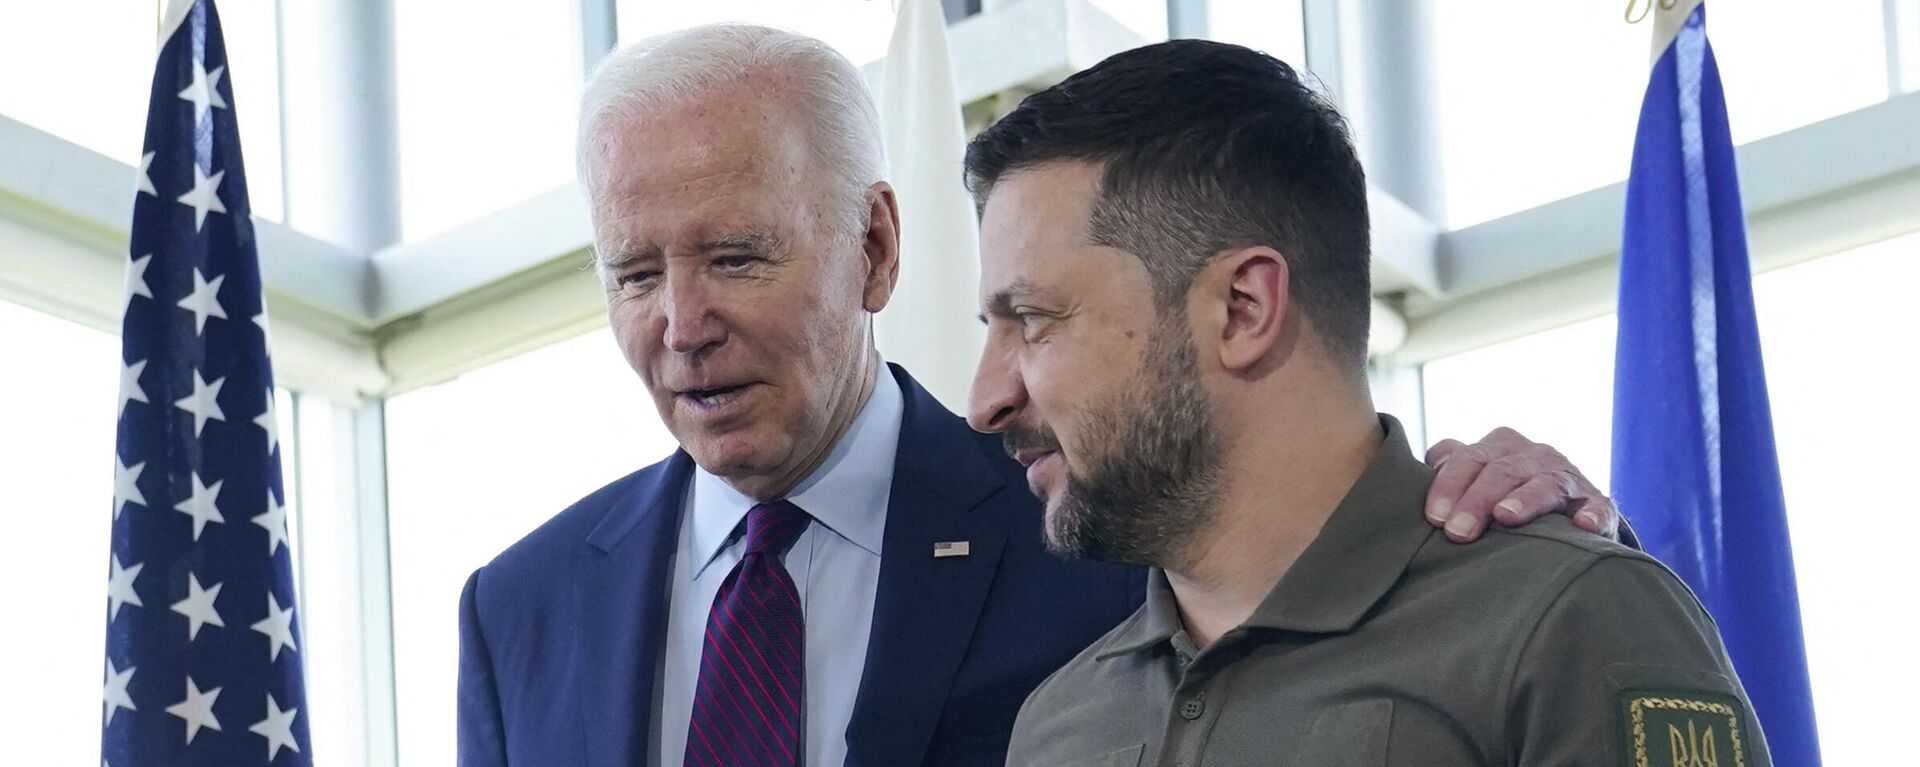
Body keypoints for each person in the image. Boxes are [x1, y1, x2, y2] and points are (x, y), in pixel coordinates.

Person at [456, 25, 1621, 767]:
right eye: (635, 274)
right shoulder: (519, 613)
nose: (682, 322)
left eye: (738, 257)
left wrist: (1532, 528)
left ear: (873, 247)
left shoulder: (1104, 509)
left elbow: (1325, 513)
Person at [965, 40, 1768, 766]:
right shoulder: (1058, 722)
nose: (983, 400)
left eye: (1032, 320)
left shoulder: (1564, 622)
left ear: (1243, 308)